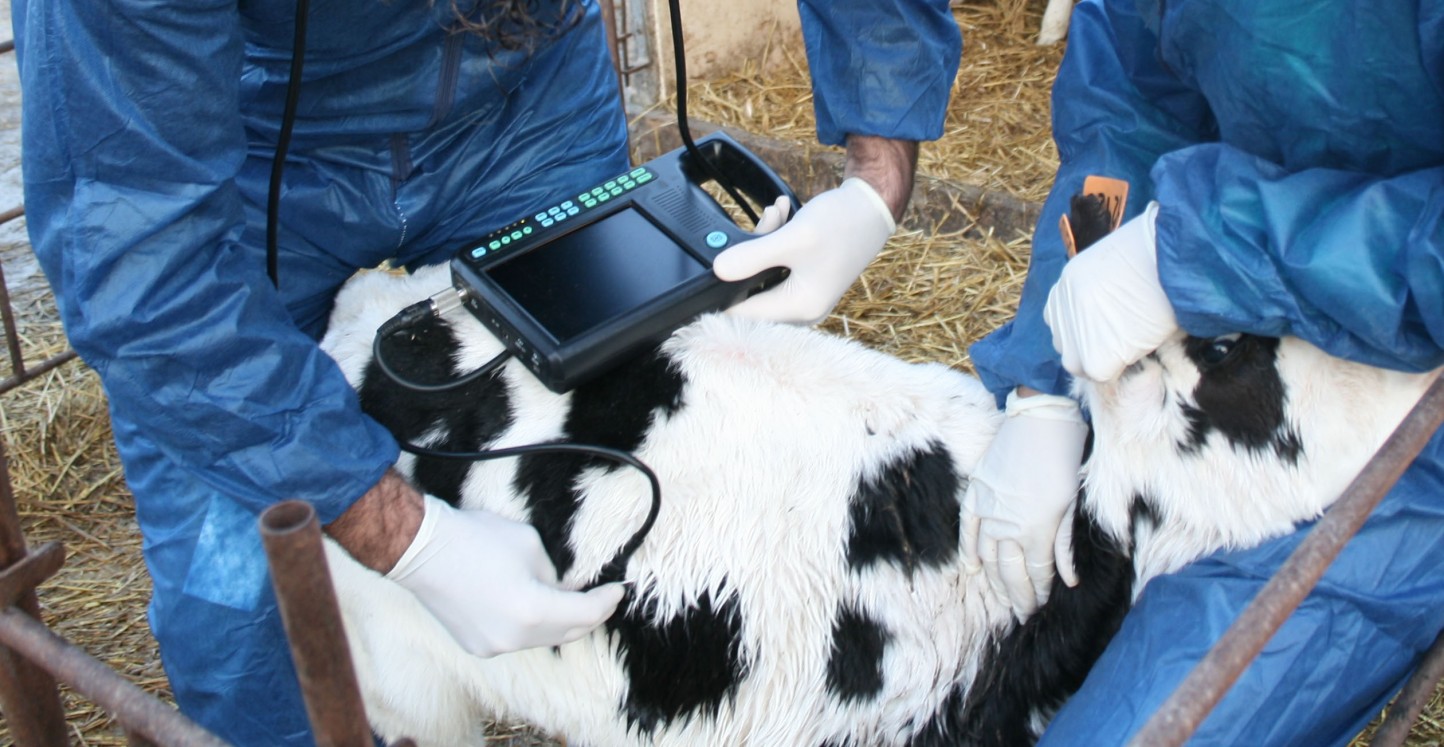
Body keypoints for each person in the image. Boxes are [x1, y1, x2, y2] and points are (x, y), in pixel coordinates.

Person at [12, 0, 960, 742]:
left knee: (617, 461)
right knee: (243, 571)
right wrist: (409, 538)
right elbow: (138, 252)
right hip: (249, 138)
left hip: (524, 88)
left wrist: (876, 181)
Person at [964, 0, 1444, 743]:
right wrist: (1043, 383)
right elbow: (1127, 103)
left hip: (1407, 427)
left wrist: (1213, 245)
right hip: (1215, 333)